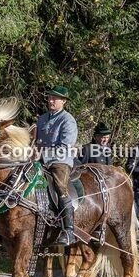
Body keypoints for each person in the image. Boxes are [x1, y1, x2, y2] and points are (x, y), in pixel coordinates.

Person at [35, 85, 79, 245]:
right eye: (49, 97)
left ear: (64, 101)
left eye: (54, 98)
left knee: (60, 187)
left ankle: (69, 231)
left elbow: (65, 147)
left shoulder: (68, 120)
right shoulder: (42, 118)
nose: (51, 100)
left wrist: (43, 154)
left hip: (60, 161)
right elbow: (36, 142)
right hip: (39, 161)